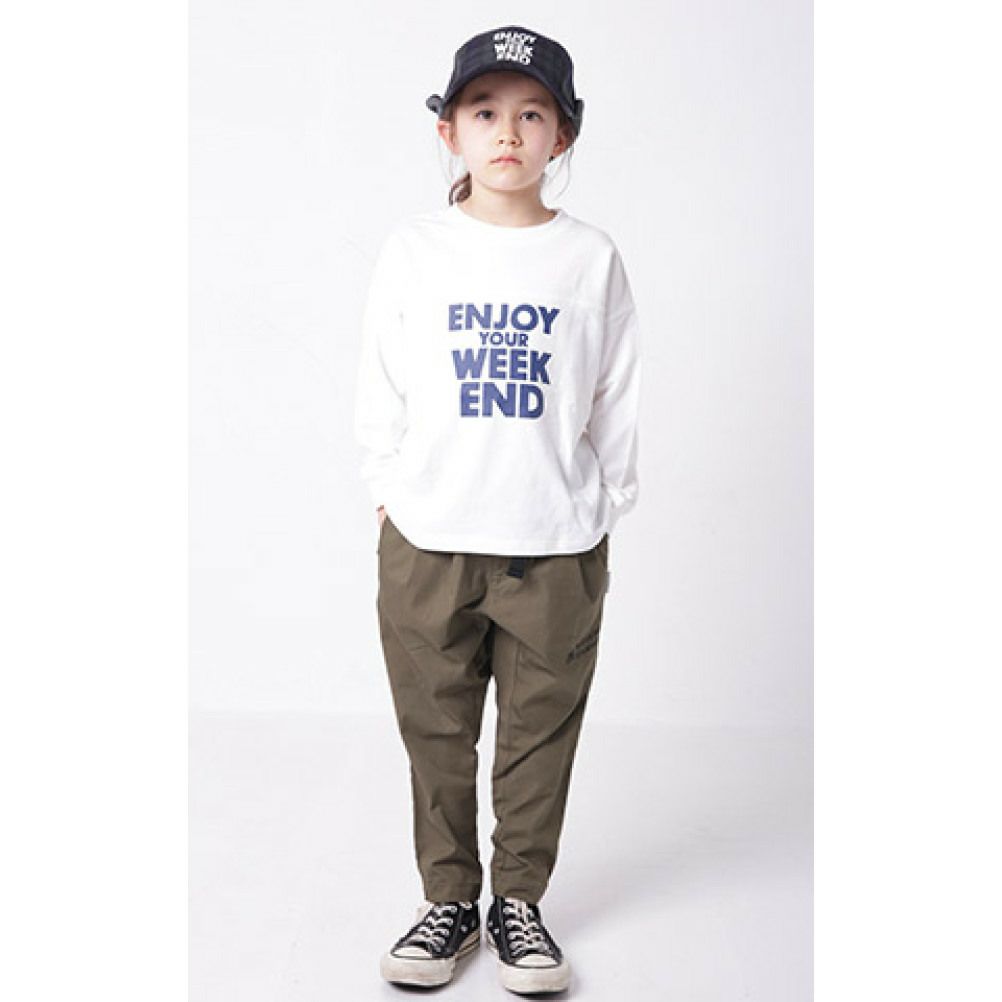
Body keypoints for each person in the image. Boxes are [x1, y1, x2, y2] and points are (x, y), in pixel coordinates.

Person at [352, 24, 642, 996]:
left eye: (531, 114)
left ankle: (518, 901)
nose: (507, 133)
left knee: (537, 737)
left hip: (552, 544)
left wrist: (605, 503)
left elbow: (617, 391)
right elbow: (381, 379)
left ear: (564, 135)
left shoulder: (588, 258)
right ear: (450, 131)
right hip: (430, 539)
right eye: (484, 112)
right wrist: (388, 488)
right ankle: (448, 900)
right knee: (436, 734)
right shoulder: (416, 250)